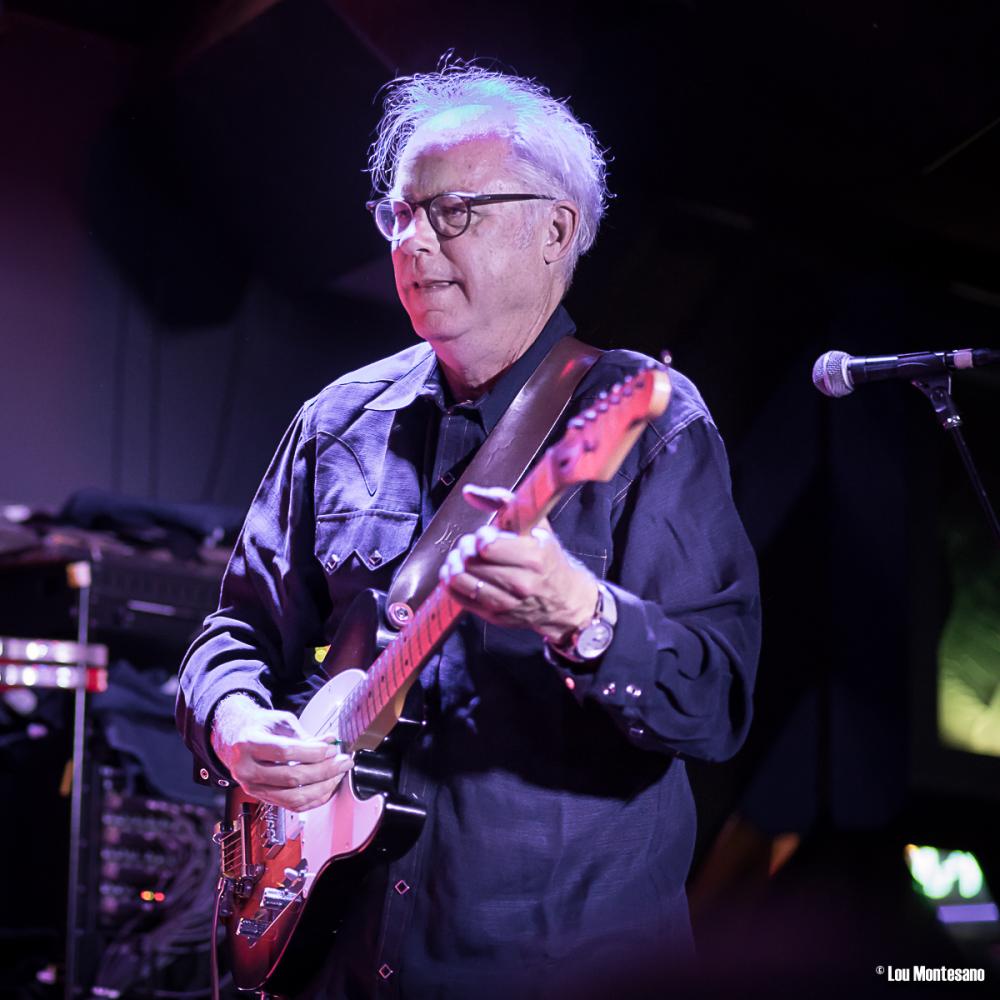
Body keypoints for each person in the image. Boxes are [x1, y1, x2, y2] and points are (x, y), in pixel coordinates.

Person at [176, 63, 761, 999]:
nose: (414, 241)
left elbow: (718, 699)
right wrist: (238, 727)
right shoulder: (337, 420)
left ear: (555, 230)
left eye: (453, 213)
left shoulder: (648, 419)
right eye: (400, 214)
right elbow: (234, 635)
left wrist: (587, 617)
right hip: (331, 956)